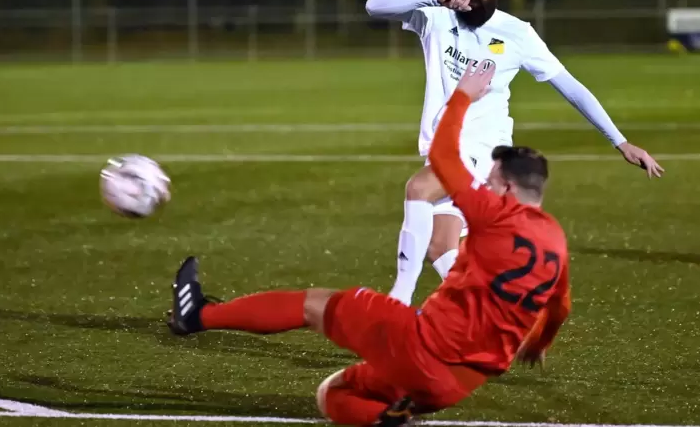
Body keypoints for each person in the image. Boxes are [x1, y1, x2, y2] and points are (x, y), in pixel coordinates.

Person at [166, 60, 572, 427]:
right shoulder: (556, 242)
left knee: (314, 305)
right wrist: (537, 345)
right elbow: (558, 307)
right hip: (457, 385)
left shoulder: (495, 211)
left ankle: (197, 315)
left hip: (419, 345)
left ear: (507, 186)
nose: (485, 184)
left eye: (491, 179)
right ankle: (387, 420)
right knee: (335, 394)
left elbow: (444, 158)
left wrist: (463, 96)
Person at [364, 0, 663, 307]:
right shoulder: (437, 16)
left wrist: (620, 141)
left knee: (419, 187)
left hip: (482, 150)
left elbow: (571, 87)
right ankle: (495, 309)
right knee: (439, 246)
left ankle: (397, 303)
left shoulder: (516, 34)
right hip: (442, 146)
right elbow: (373, 6)